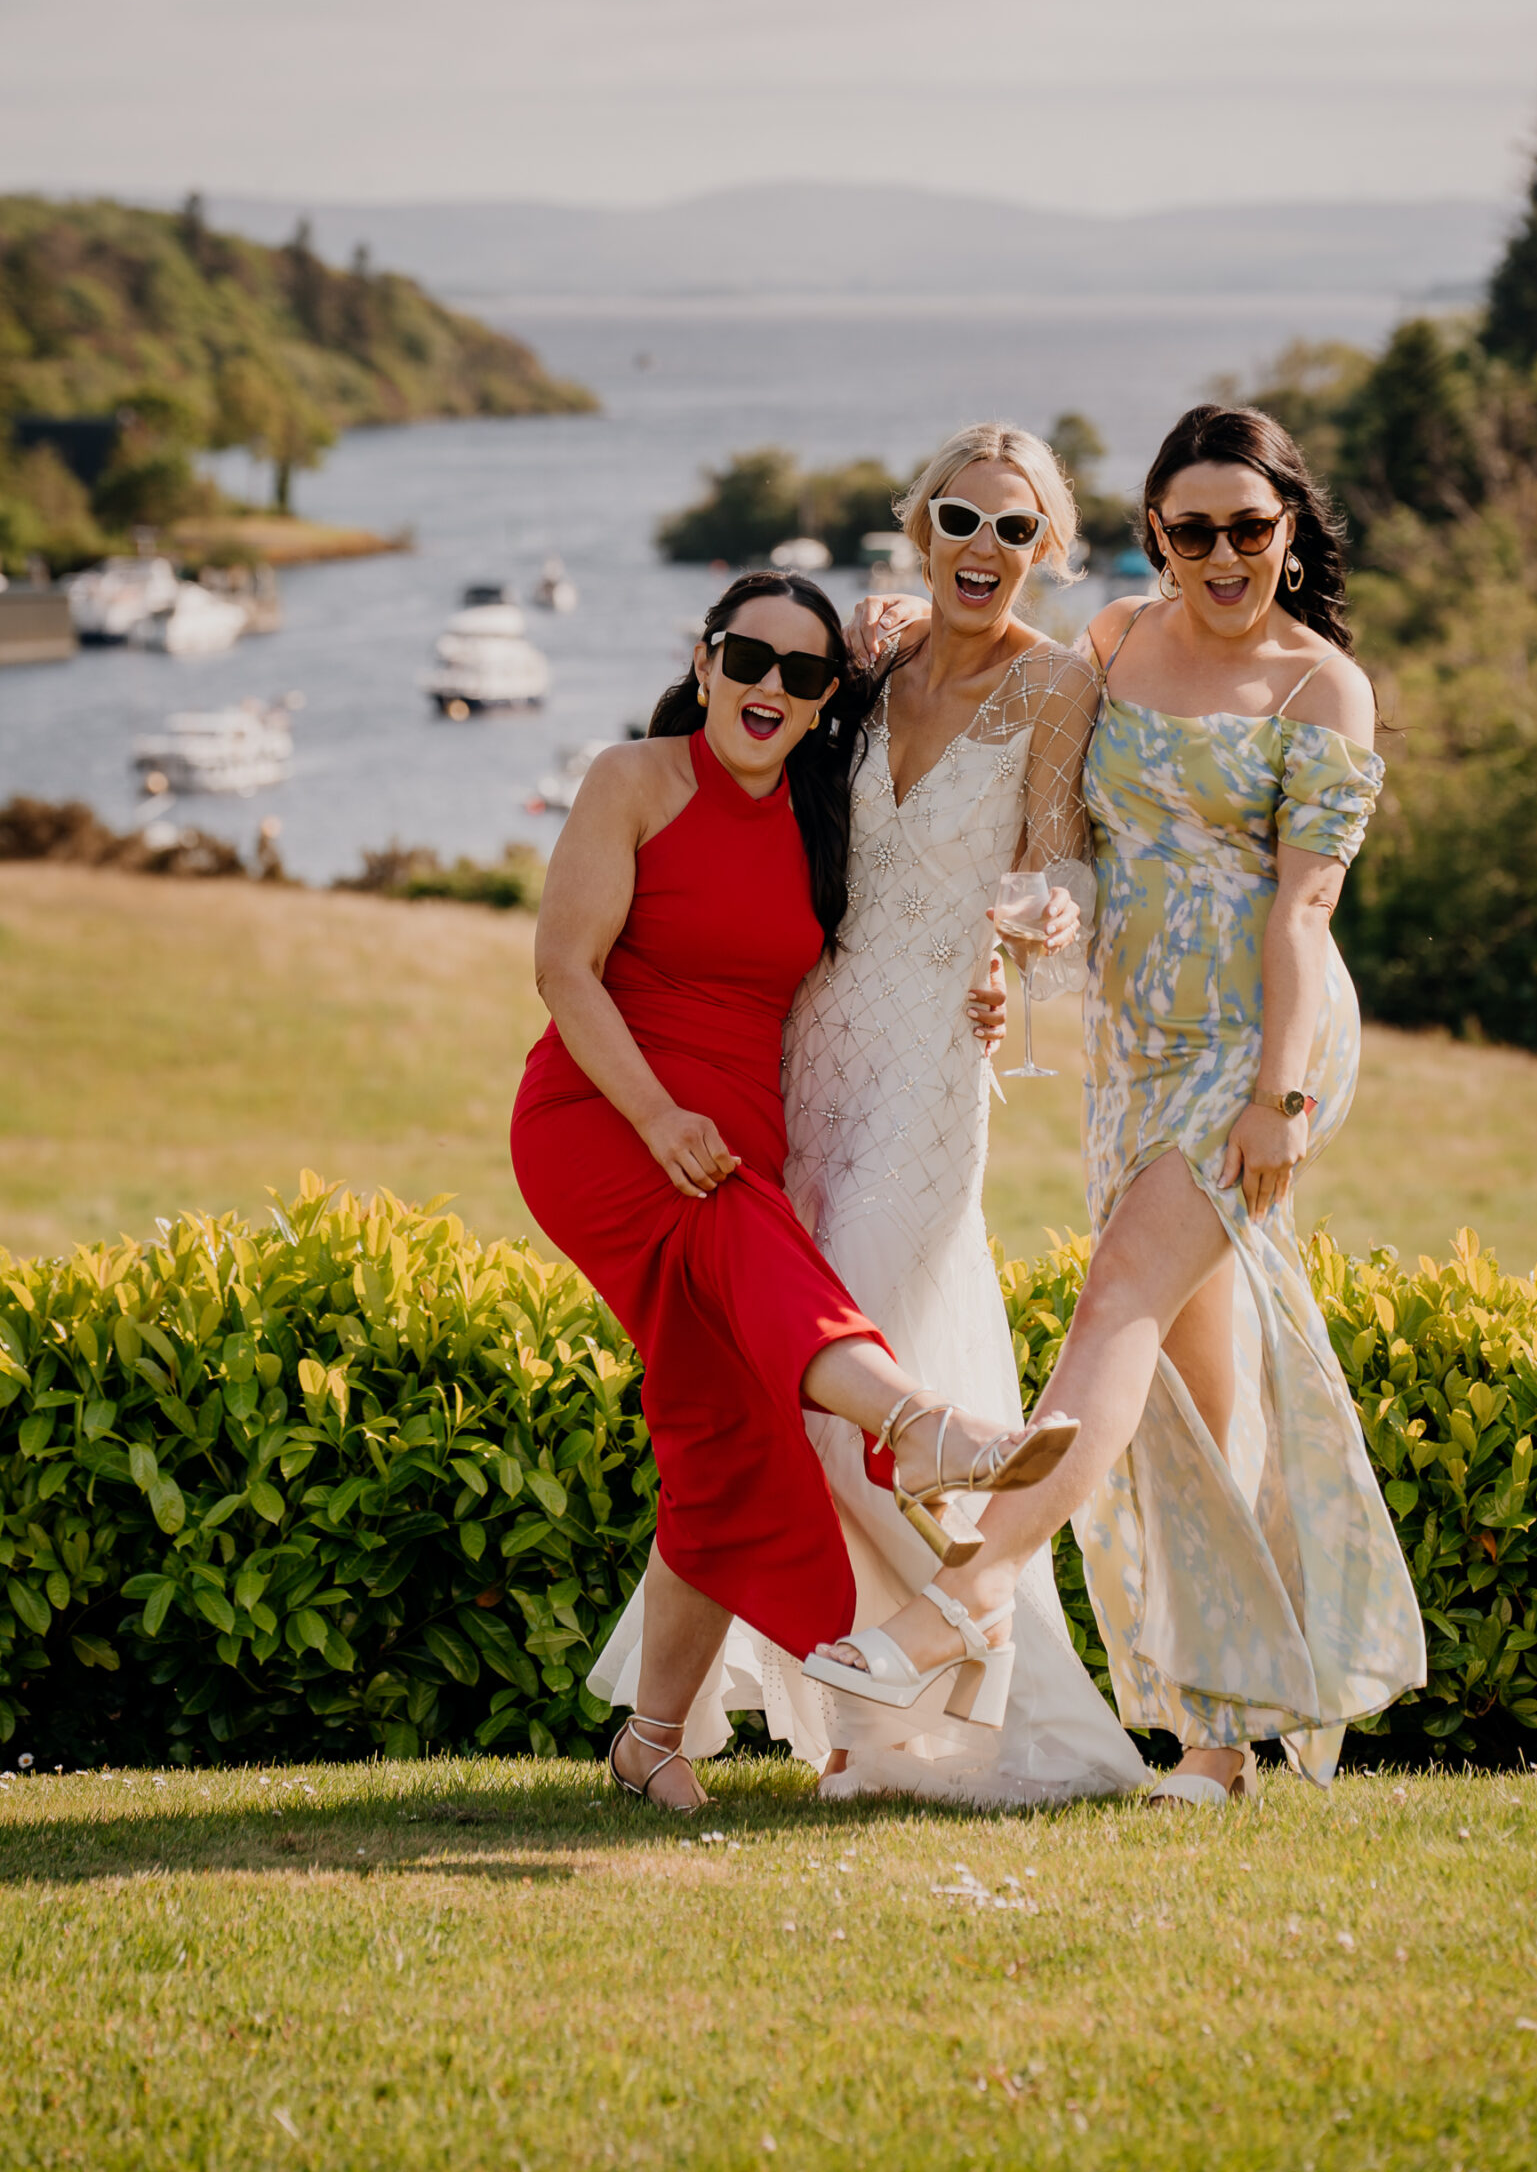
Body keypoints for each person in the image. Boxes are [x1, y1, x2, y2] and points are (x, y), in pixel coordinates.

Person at [807, 407, 1427, 1800]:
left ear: (1285, 530)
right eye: (1190, 528)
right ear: (1153, 532)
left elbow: (1302, 913)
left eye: (1246, 527)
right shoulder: (1107, 647)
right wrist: (896, 620)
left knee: (1110, 1310)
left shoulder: (1317, 687)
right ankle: (1222, 1738)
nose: (1220, 554)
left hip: (1259, 1044)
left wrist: (1277, 1094)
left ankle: (949, 1612)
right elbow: (1046, 834)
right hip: (1132, 1046)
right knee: (1195, 1390)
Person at [512, 570, 1079, 1810]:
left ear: (830, 702)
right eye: (748, 659)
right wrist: (658, 1114)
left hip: (740, 1144)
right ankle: (914, 1424)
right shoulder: (632, 780)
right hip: (610, 1116)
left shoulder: (824, 810)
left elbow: (921, 909)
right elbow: (563, 969)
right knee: (740, 1254)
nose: (772, 687)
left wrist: (983, 980)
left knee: (729, 1432)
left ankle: (651, 1739)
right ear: (705, 662)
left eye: (806, 674)